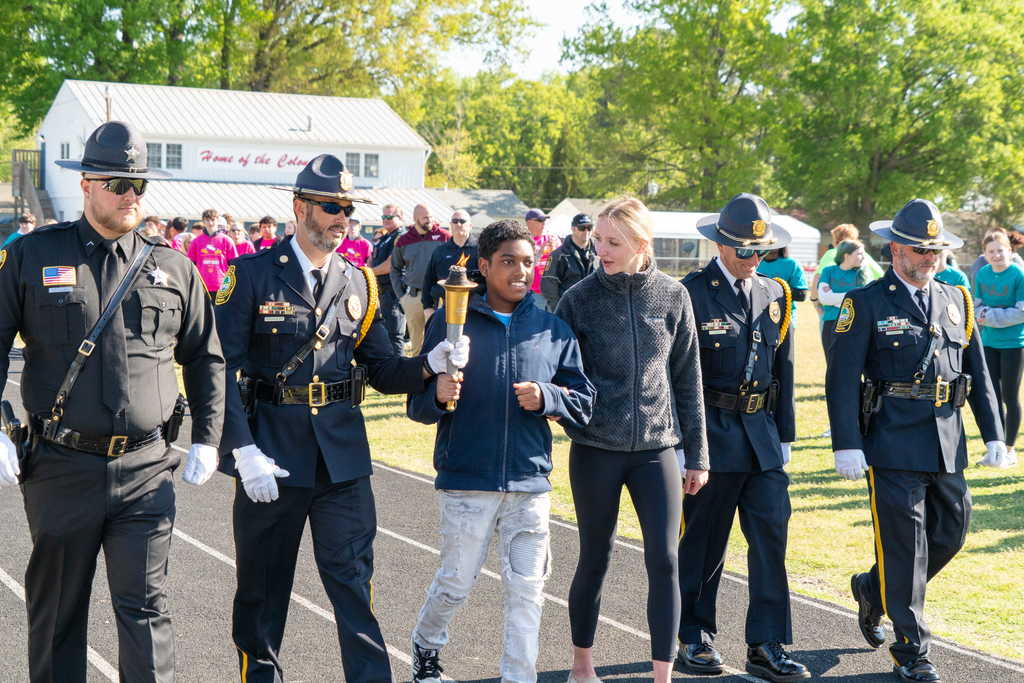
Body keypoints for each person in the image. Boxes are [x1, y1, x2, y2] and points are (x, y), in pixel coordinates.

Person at [215, 153, 468, 683]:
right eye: (331, 207)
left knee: (354, 585)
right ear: (300, 207)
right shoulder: (250, 275)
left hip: (342, 459)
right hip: (272, 456)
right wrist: (242, 451)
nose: (342, 218)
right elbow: (220, 372)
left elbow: (380, 369)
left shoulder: (360, 283)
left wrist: (427, 365)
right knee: (262, 590)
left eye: (348, 209)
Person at [0, 120, 225, 683]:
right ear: (87, 184)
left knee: (147, 611)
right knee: (57, 614)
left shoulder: (173, 267)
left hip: (146, 469)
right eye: (118, 185)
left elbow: (206, 357)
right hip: (60, 466)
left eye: (138, 186)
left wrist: (209, 438)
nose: (130, 196)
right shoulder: (31, 256)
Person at [407, 219, 596, 683]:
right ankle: (426, 644)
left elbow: (584, 404)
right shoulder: (451, 325)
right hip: (466, 481)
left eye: (527, 262)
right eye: (508, 261)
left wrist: (548, 398)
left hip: (530, 485)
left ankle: (519, 676)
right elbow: (418, 407)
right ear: (485, 265)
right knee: (455, 584)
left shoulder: (553, 330)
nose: (519, 271)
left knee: (527, 593)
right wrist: (437, 392)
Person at [826, 198, 1006, 683]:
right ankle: (913, 650)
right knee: (906, 547)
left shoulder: (955, 299)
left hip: (947, 439)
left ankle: (873, 589)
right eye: (922, 250)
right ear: (896, 249)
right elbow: (841, 378)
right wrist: (846, 443)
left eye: (937, 250)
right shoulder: (865, 302)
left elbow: (978, 373)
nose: (931, 258)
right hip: (890, 440)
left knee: (952, 531)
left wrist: (994, 434)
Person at [556, 197, 708, 683]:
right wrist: (576, 422)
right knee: (594, 556)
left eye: (613, 242)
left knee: (665, 560)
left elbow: (688, 379)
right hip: (595, 452)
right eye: (599, 239)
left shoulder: (673, 296)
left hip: (657, 451)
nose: (601, 249)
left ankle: (662, 675)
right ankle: (582, 666)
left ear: (642, 244)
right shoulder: (578, 298)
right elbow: (559, 375)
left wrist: (697, 455)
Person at [676, 193, 807, 682]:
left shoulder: (775, 293)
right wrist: (684, 446)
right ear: (721, 245)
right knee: (705, 542)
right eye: (745, 251)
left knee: (772, 536)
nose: (754, 259)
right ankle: (693, 634)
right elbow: (674, 377)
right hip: (710, 434)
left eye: (761, 251)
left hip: (762, 437)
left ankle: (766, 643)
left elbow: (784, 371)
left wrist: (786, 435)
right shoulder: (690, 293)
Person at [974, 230, 1024, 467]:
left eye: (1000, 250)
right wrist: (986, 315)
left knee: (1009, 397)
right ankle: (995, 448)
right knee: (990, 396)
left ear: (1010, 251)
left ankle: (1010, 449)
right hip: (989, 343)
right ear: (984, 254)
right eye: (990, 251)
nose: (996, 255)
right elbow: (976, 307)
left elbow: (1021, 312)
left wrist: (990, 316)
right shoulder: (982, 274)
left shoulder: (1018, 274)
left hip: (1015, 343)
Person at [390, 204, 450, 355]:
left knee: (440, 339)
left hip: (439, 297)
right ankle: (418, 376)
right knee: (417, 344)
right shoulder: (403, 240)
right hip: (413, 296)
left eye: (430, 217)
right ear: (415, 219)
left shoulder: (445, 237)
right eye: (425, 218)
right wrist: (401, 296)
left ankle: (438, 376)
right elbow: (395, 268)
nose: (429, 221)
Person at [810, 224, 884, 316]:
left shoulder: (831, 253)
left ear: (837, 238)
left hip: (834, 314)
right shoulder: (865, 255)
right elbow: (881, 277)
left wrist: (815, 300)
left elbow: (818, 278)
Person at [421, 209, 479, 321]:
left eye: (462, 221)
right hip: (443, 309)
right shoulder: (440, 251)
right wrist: (427, 307)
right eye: (455, 221)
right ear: (450, 225)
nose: (458, 224)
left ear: (470, 226)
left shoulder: (480, 250)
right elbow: (428, 280)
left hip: (474, 310)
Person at [818, 239, 874, 353]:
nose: (863, 257)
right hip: (831, 323)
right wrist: (851, 296)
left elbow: (863, 300)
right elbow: (824, 299)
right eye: (859, 254)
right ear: (846, 255)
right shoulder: (828, 271)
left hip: (856, 324)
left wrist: (835, 298)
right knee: (832, 366)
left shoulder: (863, 274)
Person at [540, 212, 596, 311]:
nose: (586, 231)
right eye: (582, 228)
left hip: (591, 311)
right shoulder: (557, 255)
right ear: (573, 229)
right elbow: (548, 285)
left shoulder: (599, 254)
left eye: (589, 227)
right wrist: (560, 311)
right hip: (567, 310)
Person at [372, 204, 407, 355]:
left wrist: (368, 272)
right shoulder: (386, 236)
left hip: (394, 292)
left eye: (389, 216)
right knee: (383, 334)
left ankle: (400, 372)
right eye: (383, 216)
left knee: (395, 335)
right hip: (382, 291)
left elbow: (390, 265)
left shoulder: (401, 236)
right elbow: (373, 258)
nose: (385, 220)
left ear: (400, 218)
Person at [187, 207, 238, 293]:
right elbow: (190, 265)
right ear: (203, 221)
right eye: (207, 220)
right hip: (202, 286)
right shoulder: (196, 241)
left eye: (213, 220)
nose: (210, 223)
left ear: (218, 220)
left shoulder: (226, 240)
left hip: (222, 286)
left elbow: (234, 265)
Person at [757, 246, 808, 323]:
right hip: (756, 317)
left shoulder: (791, 264)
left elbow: (801, 295)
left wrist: (770, 290)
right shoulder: (752, 263)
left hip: (784, 319)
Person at [524, 208, 561, 308]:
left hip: (553, 291)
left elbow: (562, 261)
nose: (544, 223)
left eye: (544, 220)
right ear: (529, 222)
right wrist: (540, 251)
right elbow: (525, 266)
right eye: (540, 220)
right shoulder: (522, 241)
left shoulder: (552, 238)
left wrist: (556, 252)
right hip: (532, 292)